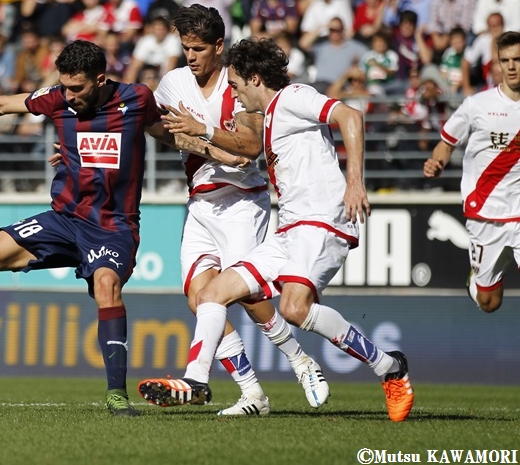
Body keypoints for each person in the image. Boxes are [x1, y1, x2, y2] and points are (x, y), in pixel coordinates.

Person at [0, 40, 247, 417]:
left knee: (107, 285)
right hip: (63, 220)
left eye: (76, 88)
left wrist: (221, 153)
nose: (69, 95)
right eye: (63, 85)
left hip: (113, 227)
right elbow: (0, 104)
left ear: (99, 80)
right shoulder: (58, 99)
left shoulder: (137, 99)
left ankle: (116, 395)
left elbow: (166, 134)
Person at [138, 37, 415, 423]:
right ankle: (195, 380)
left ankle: (389, 367)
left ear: (254, 78)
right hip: (288, 230)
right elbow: (234, 154)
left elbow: (350, 116)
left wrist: (355, 181)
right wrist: (193, 137)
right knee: (210, 295)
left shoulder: (294, 96)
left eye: (235, 85)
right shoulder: (268, 120)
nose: (233, 94)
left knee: (294, 308)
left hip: (322, 221)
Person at [153, 5, 330, 415]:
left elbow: (250, 145)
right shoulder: (172, 83)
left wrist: (205, 134)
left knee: (247, 296)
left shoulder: (239, 84)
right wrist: (203, 147)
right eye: (185, 48)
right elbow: (157, 128)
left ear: (219, 46)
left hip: (241, 203)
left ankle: (298, 359)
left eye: (198, 48)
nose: (190, 56)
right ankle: (252, 393)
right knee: (200, 299)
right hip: (199, 204)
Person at [423, 31, 520, 313]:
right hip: (485, 212)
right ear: (498, 65)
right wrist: (437, 163)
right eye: (506, 60)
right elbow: (446, 144)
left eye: (518, 59)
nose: (512, 66)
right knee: (489, 303)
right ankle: (478, 284)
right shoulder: (477, 105)